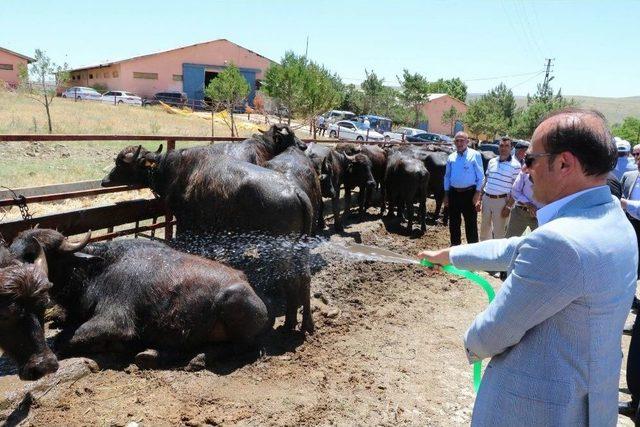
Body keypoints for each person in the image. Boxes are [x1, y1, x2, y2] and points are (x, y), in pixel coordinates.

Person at [419, 108, 637, 426]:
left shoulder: (560, 242)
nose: (525, 167)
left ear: (564, 163)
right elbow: (516, 247)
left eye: (531, 159)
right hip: (589, 404)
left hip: (540, 411)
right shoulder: (614, 222)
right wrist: (451, 254)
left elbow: (495, 332)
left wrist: (470, 342)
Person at [618, 144, 640, 420]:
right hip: (631, 230)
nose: (636, 159)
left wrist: (625, 204)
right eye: (636, 155)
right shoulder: (629, 176)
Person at [443, 131, 484, 246]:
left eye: (462, 140)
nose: (459, 143)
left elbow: (481, 176)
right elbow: (447, 177)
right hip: (454, 193)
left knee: (470, 223)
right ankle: (455, 247)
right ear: (454, 142)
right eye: (457, 140)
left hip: (469, 193)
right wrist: (446, 195)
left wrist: (477, 193)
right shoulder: (451, 157)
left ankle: (472, 250)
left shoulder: (475, 155)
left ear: (467, 142)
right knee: (454, 223)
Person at [479, 136, 521, 241]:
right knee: (484, 230)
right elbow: (486, 180)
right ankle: (484, 254)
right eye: (501, 145)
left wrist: (508, 206)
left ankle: (497, 256)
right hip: (487, 199)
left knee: (499, 233)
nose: (504, 148)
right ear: (498, 147)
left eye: (507, 146)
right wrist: (480, 198)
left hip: (502, 202)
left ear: (511, 148)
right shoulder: (492, 161)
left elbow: (516, 188)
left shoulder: (516, 165)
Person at [504, 168, 543, 237]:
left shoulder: (552, 172)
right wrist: (528, 204)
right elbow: (515, 191)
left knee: (541, 244)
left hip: (540, 215)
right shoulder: (525, 170)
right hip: (520, 213)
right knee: (509, 240)